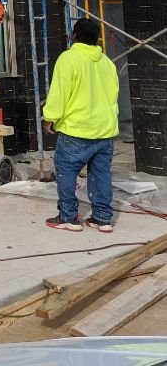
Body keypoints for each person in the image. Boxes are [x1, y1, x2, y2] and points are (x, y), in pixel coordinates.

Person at [42, 17, 120, 233]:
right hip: (104, 131)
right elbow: (113, 96)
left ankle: (68, 217)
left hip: (76, 130)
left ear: (74, 36)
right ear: (96, 39)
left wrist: (50, 118)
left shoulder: (69, 59)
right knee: (101, 174)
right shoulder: (107, 63)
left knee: (67, 172)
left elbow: (59, 94)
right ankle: (102, 219)